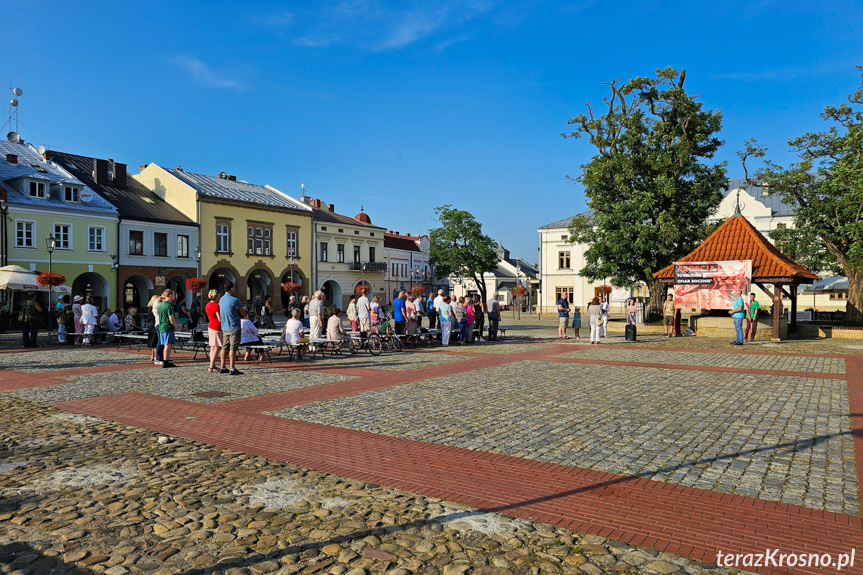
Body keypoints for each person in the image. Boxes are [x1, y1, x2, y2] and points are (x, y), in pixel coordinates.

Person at [219, 281, 243, 375]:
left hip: (225, 326)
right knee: (233, 348)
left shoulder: (221, 299)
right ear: (232, 288)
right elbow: (243, 313)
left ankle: (223, 366)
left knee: (224, 347)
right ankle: (232, 368)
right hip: (234, 326)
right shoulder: (235, 300)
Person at [158, 289, 177, 368]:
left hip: (162, 326)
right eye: (173, 294)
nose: (174, 296)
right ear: (170, 295)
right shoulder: (168, 305)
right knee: (168, 345)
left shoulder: (162, 304)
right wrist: (175, 326)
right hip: (167, 327)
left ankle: (166, 359)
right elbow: (171, 318)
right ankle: (166, 361)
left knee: (168, 344)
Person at [206, 290, 223, 373]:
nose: (219, 297)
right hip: (217, 327)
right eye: (218, 296)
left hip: (211, 326)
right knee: (217, 346)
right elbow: (219, 318)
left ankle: (212, 364)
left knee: (212, 347)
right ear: (215, 297)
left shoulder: (208, 305)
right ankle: (211, 366)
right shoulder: (216, 306)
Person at [147, 295, 162, 362]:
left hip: (151, 324)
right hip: (155, 323)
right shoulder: (153, 308)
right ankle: (156, 356)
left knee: (152, 342)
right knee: (155, 341)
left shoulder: (149, 307)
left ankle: (152, 355)